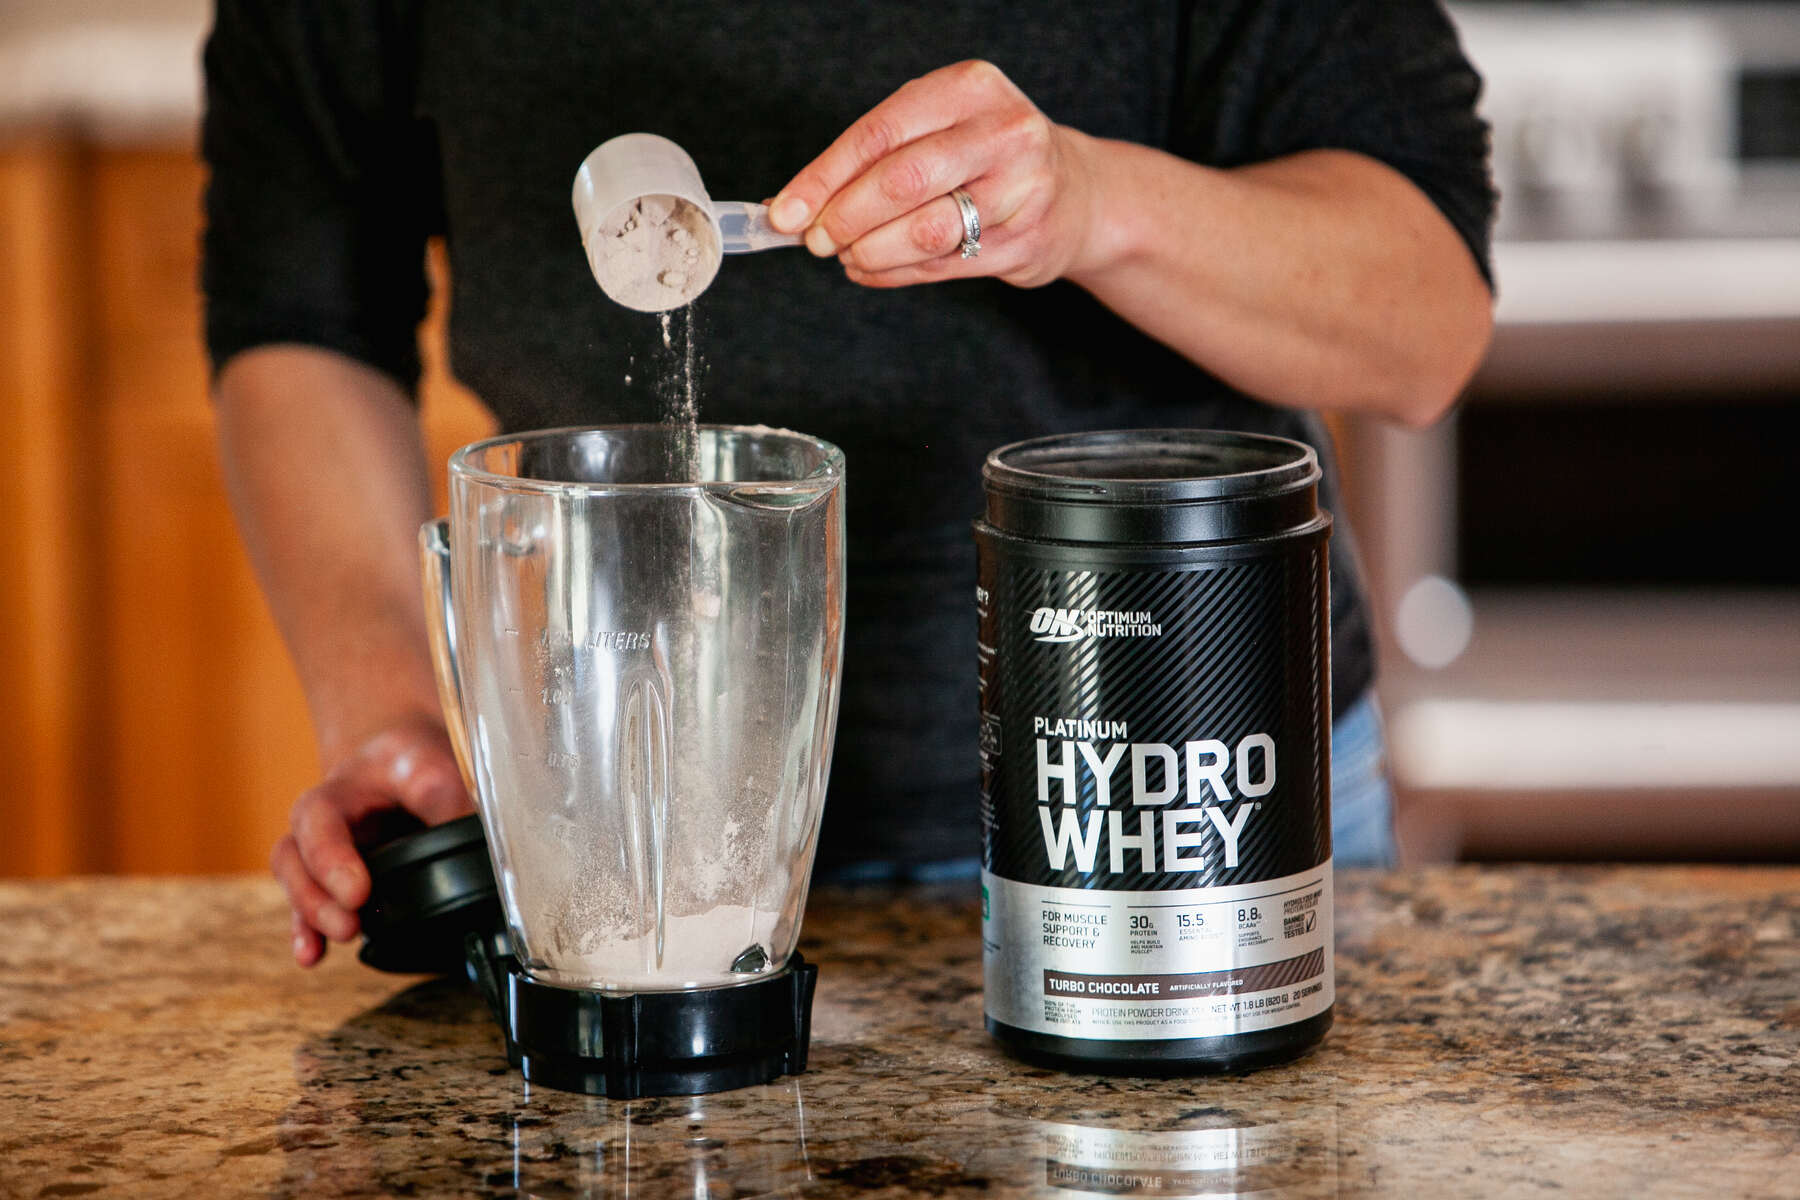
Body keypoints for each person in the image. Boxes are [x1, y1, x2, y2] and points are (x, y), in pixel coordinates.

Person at [201, 1, 1494, 966]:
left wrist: (1091, 206)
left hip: (1183, 802)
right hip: (619, 840)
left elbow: (1424, 326)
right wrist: (389, 715)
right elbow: (303, 321)